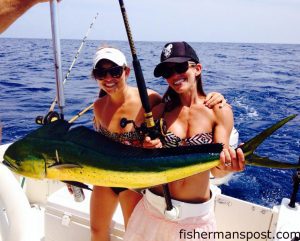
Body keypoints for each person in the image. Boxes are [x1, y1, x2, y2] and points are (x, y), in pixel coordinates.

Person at [86, 46, 226, 241]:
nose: (108, 77)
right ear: (95, 76)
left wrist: (216, 96)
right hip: (106, 177)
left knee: (132, 231)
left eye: (115, 71)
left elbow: (176, 107)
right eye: (101, 73)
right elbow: (96, 146)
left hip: (134, 180)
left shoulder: (150, 99)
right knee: (96, 230)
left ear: (126, 71)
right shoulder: (98, 107)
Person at [123, 42, 245, 241]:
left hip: (195, 219)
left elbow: (216, 169)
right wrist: (149, 148)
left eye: (180, 67)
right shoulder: (160, 112)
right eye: (167, 72)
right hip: (152, 209)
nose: (174, 76)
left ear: (197, 69)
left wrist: (229, 167)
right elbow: (141, 158)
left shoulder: (219, 110)